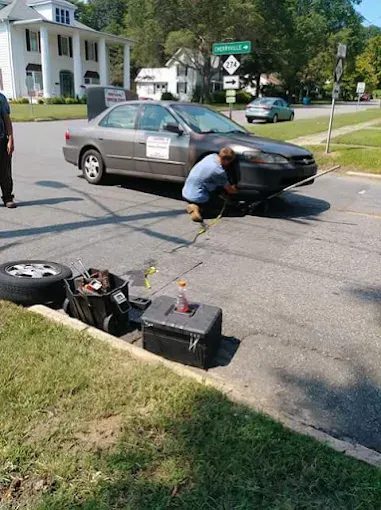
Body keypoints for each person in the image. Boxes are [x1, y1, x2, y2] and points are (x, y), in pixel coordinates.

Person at [182, 147, 238, 222]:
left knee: (213, 185)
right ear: (226, 160)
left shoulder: (211, 156)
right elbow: (230, 190)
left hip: (185, 192)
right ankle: (198, 208)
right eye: (230, 161)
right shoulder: (218, 171)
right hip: (198, 197)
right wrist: (237, 190)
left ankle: (195, 205)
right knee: (223, 207)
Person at [0, 92, 15, 208]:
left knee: (5, 171)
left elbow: (6, 119)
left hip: (1, 140)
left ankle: (7, 197)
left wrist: (10, 139)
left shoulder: (1, 98)